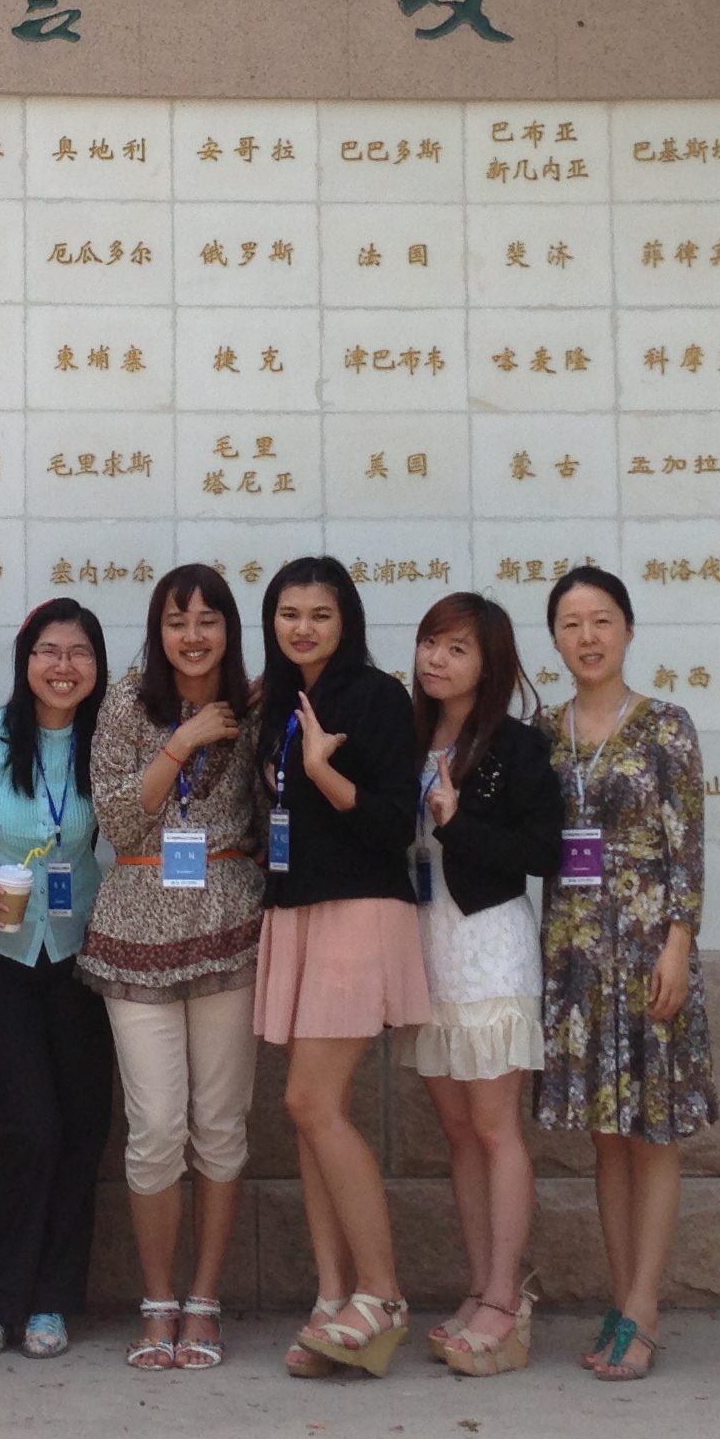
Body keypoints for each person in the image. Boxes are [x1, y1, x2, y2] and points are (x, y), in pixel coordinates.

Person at [537, 565, 717, 1384]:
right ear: (555, 639)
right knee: (605, 1135)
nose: (588, 637)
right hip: (574, 951)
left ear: (629, 630)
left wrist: (679, 942)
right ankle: (622, 1302)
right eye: (572, 624)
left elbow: (688, 845)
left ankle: (644, 1308)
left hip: (648, 949)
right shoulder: (545, 730)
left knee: (654, 1130)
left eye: (602, 620)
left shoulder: (666, 726)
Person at [83, 563, 264, 1371]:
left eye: (207, 620)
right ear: (157, 631)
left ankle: (204, 1301)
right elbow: (120, 819)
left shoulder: (256, 710)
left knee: (221, 1128)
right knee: (156, 1128)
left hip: (229, 930)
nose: (192, 636)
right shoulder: (128, 702)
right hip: (136, 930)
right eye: (176, 621)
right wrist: (184, 740)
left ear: (229, 628)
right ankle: (157, 1300)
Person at [251, 556, 426, 1380]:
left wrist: (322, 769)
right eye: (289, 613)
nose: (303, 628)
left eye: (320, 614)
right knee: (314, 1113)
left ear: (346, 620)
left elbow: (394, 822)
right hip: (297, 909)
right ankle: (332, 1299)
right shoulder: (281, 702)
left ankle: (382, 1294)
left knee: (310, 1100)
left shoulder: (377, 698)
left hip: (359, 910)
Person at [0, 599, 116, 1361]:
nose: (63, 667)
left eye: (79, 653)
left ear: (97, 666)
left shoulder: (110, 743)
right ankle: (0, 1298)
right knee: (29, 1125)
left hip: (83, 952)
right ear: (25, 658)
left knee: (83, 1123)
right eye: (48, 651)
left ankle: (52, 1299)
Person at [403, 593, 560, 1378]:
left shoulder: (516, 746)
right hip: (425, 947)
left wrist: (458, 821)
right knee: (459, 1132)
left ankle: (506, 1298)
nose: (437, 659)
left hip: (490, 947)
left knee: (496, 1129)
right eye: (431, 642)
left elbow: (542, 851)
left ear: (488, 664)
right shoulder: (407, 737)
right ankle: (478, 1287)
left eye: (458, 648)